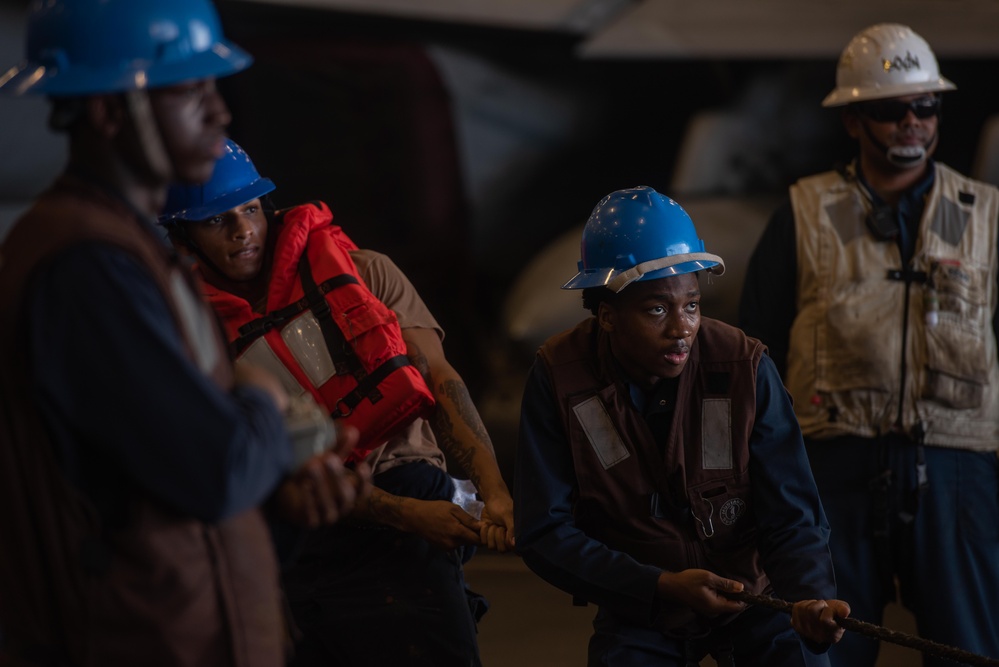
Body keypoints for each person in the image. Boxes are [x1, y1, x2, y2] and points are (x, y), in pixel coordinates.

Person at [0, 1, 366, 665]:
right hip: (138, 638)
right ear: (111, 112)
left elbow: (156, 474)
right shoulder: (90, 268)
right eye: (189, 90)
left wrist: (283, 491)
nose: (219, 111)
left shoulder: (131, 249)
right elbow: (217, 471)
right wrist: (264, 397)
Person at [157, 138, 517, 667]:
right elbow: (250, 470)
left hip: (406, 508)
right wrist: (407, 516)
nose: (241, 231)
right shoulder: (191, 337)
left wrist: (493, 486)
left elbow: (439, 380)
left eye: (250, 210)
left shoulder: (366, 272)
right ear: (183, 236)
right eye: (216, 221)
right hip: (300, 532)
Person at [739, 23, 999, 667]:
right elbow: (752, 358)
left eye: (926, 105)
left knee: (968, 648)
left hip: (958, 475)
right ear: (854, 120)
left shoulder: (984, 217)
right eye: (890, 109)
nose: (912, 121)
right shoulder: (803, 213)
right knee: (826, 648)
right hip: (831, 475)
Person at [514, 185, 850, 666]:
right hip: (644, 607)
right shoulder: (561, 378)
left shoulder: (742, 366)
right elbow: (543, 532)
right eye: (657, 309)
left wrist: (810, 596)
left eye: (691, 304)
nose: (682, 328)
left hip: (757, 601)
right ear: (607, 315)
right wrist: (657, 586)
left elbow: (792, 514)